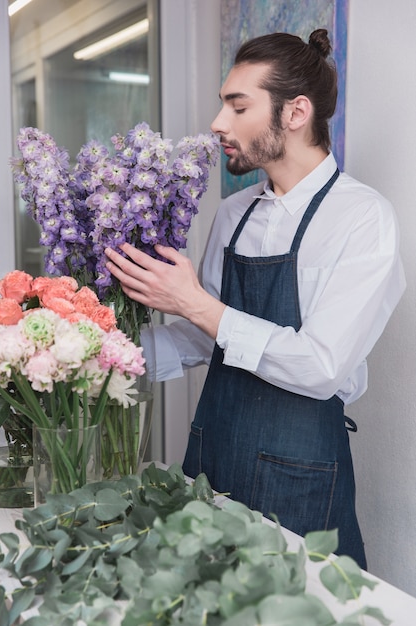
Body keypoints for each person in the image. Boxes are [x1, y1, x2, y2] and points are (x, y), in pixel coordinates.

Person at [105, 29, 406, 570]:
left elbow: (321, 366)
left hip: (301, 478)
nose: (218, 123)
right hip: (211, 461)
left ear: (295, 112)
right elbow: (204, 339)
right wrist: (97, 350)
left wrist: (194, 302)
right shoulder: (233, 213)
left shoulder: (363, 220)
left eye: (237, 106)